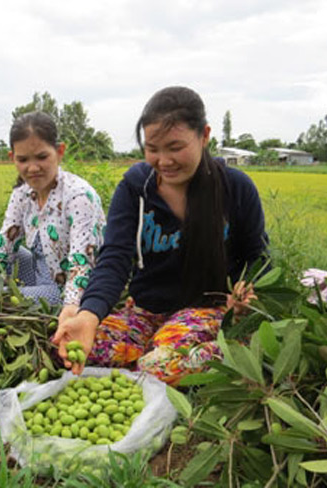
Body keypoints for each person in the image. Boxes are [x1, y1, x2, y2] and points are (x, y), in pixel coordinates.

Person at [53, 86, 269, 385]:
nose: (163, 160)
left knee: (159, 366)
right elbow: (114, 259)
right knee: (78, 347)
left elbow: (258, 258)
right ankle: (153, 360)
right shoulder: (134, 188)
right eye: (153, 149)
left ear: (204, 136)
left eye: (175, 147)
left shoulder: (236, 188)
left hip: (207, 310)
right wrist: (88, 315)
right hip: (146, 311)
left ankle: (233, 347)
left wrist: (248, 291)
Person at [0, 111, 106, 307]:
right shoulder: (22, 194)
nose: (33, 168)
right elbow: (2, 253)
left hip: (70, 290)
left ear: (59, 152)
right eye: (23, 160)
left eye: (42, 157)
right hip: (37, 272)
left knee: (2, 300)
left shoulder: (78, 196)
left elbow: (81, 266)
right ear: (13, 158)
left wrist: (71, 311)